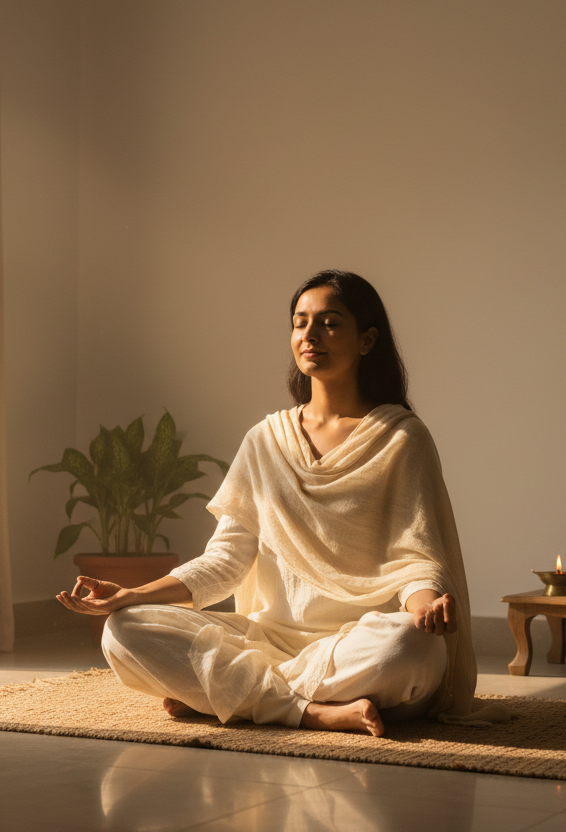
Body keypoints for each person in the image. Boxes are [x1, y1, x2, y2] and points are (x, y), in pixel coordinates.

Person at [57, 270, 508, 736]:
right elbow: (226, 561)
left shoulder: (401, 437)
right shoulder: (266, 440)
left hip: (355, 644)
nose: (310, 335)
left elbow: (417, 557)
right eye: (300, 322)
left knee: (412, 648)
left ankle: (232, 697)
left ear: (367, 340)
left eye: (329, 323)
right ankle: (312, 711)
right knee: (124, 630)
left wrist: (425, 607)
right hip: (269, 641)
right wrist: (132, 595)